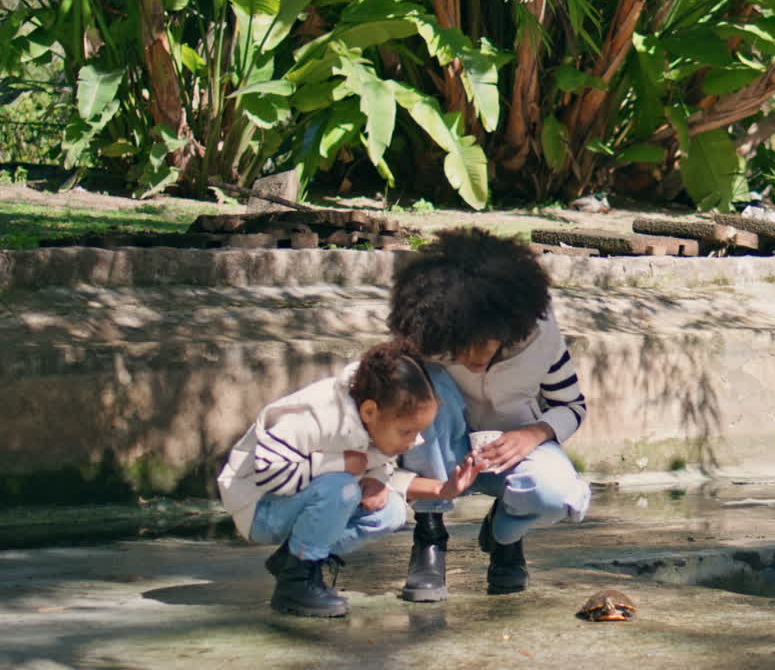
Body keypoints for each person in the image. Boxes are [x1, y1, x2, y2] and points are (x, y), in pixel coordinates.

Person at [389, 227, 591, 601]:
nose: (474, 357)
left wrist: (534, 433)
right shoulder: (428, 338)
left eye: (485, 343)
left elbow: (572, 406)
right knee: (419, 383)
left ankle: (504, 535)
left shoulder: (540, 337)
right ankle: (430, 534)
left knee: (557, 495)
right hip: (442, 458)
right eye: (462, 346)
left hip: (512, 454)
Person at [217, 340, 483, 617]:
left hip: (298, 499)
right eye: (406, 431)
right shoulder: (317, 415)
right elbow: (270, 472)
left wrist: (444, 489)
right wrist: (340, 464)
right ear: (370, 411)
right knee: (342, 488)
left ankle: (291, 561)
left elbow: (384, 476)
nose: (414, 441)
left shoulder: (373, 421)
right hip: (260, 508)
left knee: (389, 511)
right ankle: (296, 583)